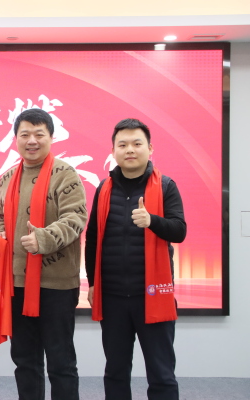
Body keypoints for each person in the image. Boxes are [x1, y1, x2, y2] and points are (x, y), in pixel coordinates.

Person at [85, 118, 186, 400]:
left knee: (162, 373)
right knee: (115, 372)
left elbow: (179, 230)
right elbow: (92, 239)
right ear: (113, 151)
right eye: (123, 144)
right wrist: (92, 283)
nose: (130, 149)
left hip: (152, 294)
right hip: (113, 297)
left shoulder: (166, 186)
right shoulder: (104, 188)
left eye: (137, 143)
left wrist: (152, 221)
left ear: (150, 148)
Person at [0, 108, 87, 400]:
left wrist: (43, 238)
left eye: (39, 134)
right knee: (25, 361)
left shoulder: (66, 174)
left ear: (51, 137)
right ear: (16, 139)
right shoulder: (7, 178)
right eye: (25, 134)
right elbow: (0, 218)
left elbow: (75, 219)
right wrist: (0, 235)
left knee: (61, 363)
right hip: (17, 283)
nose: (31, 141)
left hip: (56, 284)